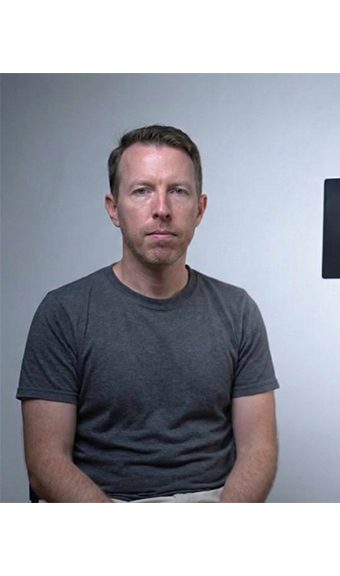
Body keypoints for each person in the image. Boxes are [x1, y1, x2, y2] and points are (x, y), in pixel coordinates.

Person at [17, 125, 279, 502]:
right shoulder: (63, 313)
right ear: (114, 209)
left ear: (199, 209)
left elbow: (259, 450)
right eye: (142, 191)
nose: (161, 209)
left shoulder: (238, 311)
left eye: (178, 191)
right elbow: (46, 461)